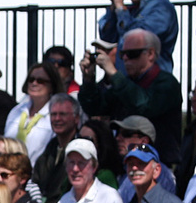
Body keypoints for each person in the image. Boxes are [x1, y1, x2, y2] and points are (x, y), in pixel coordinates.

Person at [78, 29, 182, 167]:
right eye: (123, 55)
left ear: (150, 54)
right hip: (127, 163)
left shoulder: (166, 83)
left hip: (158, 163)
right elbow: (95, 107)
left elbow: (144, 106)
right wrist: (88, 80)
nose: (126, 59)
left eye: (132, 54)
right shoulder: (126, 83)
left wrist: (114, 74)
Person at [98, 0, 179, 75]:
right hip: (129, 79)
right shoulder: (132, 10)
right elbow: (107, 37)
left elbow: (137, 39)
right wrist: (114, 6)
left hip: (152, 81)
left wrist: (121, 8)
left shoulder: (163, 9)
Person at [4, 63, 63, 162]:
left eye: (40, 81)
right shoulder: (16, 111)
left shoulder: (56, 115)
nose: (34, 83)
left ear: (52, 86)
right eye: (31, 79)